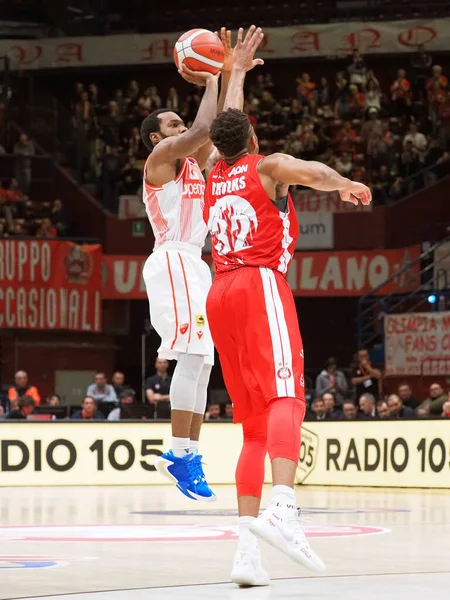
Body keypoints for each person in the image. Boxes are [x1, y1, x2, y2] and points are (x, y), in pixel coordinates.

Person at [204, 27, 371, 587]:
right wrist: (346, 183)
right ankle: (284, 506)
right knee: (289, 395)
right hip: (257, 284)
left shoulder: (214, 173)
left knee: (252, 427)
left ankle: (247, 552)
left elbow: (229, 127)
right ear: (252, 137)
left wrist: (236, 76)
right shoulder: (265, 166)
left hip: (219, 292)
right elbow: (316, 174)